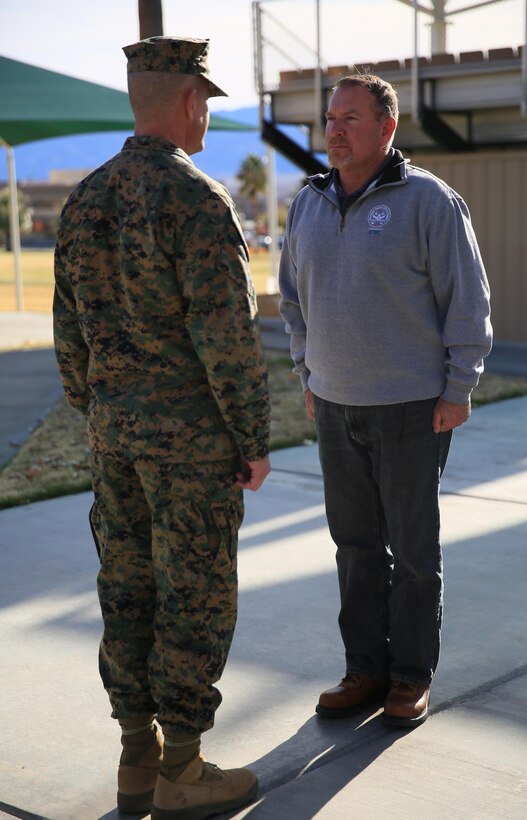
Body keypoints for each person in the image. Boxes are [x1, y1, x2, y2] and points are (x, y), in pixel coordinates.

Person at [53, 36, 270, 820]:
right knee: (194, 594)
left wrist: (103, 410)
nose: (208, 113)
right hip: (190, 445)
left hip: (113, 437)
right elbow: (227, 340)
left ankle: (135, 761)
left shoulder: (85, 199)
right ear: (187, 102)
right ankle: (183, 768)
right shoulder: (196, 201)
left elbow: (68, 335)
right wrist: (251, 438)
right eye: (206, 101)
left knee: (127, 588)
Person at [279, 73, 492, 729]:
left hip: (411, 407)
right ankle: (364, 668)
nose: (334, 130)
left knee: (412, 552)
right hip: (335, 406)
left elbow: (468, 302)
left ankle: (408, 677)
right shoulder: (307, 202)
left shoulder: (428, 200)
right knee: (355, 546)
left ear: (386, 128)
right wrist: (307, 372)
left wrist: (457, 390)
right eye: (329, 118)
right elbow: (291, 298)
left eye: (349, 118)